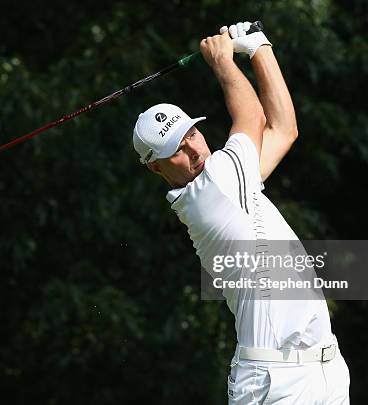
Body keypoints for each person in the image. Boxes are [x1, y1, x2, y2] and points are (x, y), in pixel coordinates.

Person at [132, 21, 351, 404]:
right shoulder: (211, 189)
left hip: (324, 368)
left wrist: (259, 47)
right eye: (178, 150)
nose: (196, 150)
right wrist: (222, 61)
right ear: (156, 167)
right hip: (273, 381)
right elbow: (253, 118)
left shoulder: (234, 179)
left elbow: (284, 130)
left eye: (193, 135)